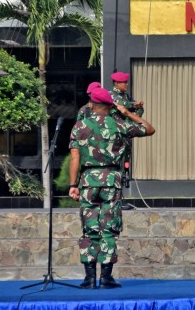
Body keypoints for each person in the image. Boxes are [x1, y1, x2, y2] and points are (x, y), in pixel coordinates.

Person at [68, 87, 155, 289]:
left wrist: (73, 185)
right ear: (110, 105)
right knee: (108, 228)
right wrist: (128, 113)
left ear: (92, 104)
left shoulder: (79, 126)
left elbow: (75, 157)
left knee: (90, 229)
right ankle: (106, 278)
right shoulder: (119, 124)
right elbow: (149, 129)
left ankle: (89, 279)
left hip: (88, 181)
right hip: (111, 181)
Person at [108, 71, 143, 198]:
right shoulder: (112, 96)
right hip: (116, 137)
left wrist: (137, 109)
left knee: (125, 167)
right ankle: (115, 197)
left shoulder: (126, 96)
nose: (127, 84)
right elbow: (122, 106)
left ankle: (120, 197)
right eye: (124, 82)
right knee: (116, 167)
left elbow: (135, 111)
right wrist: (134, 105)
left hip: (125, 137)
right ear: (117, 83)